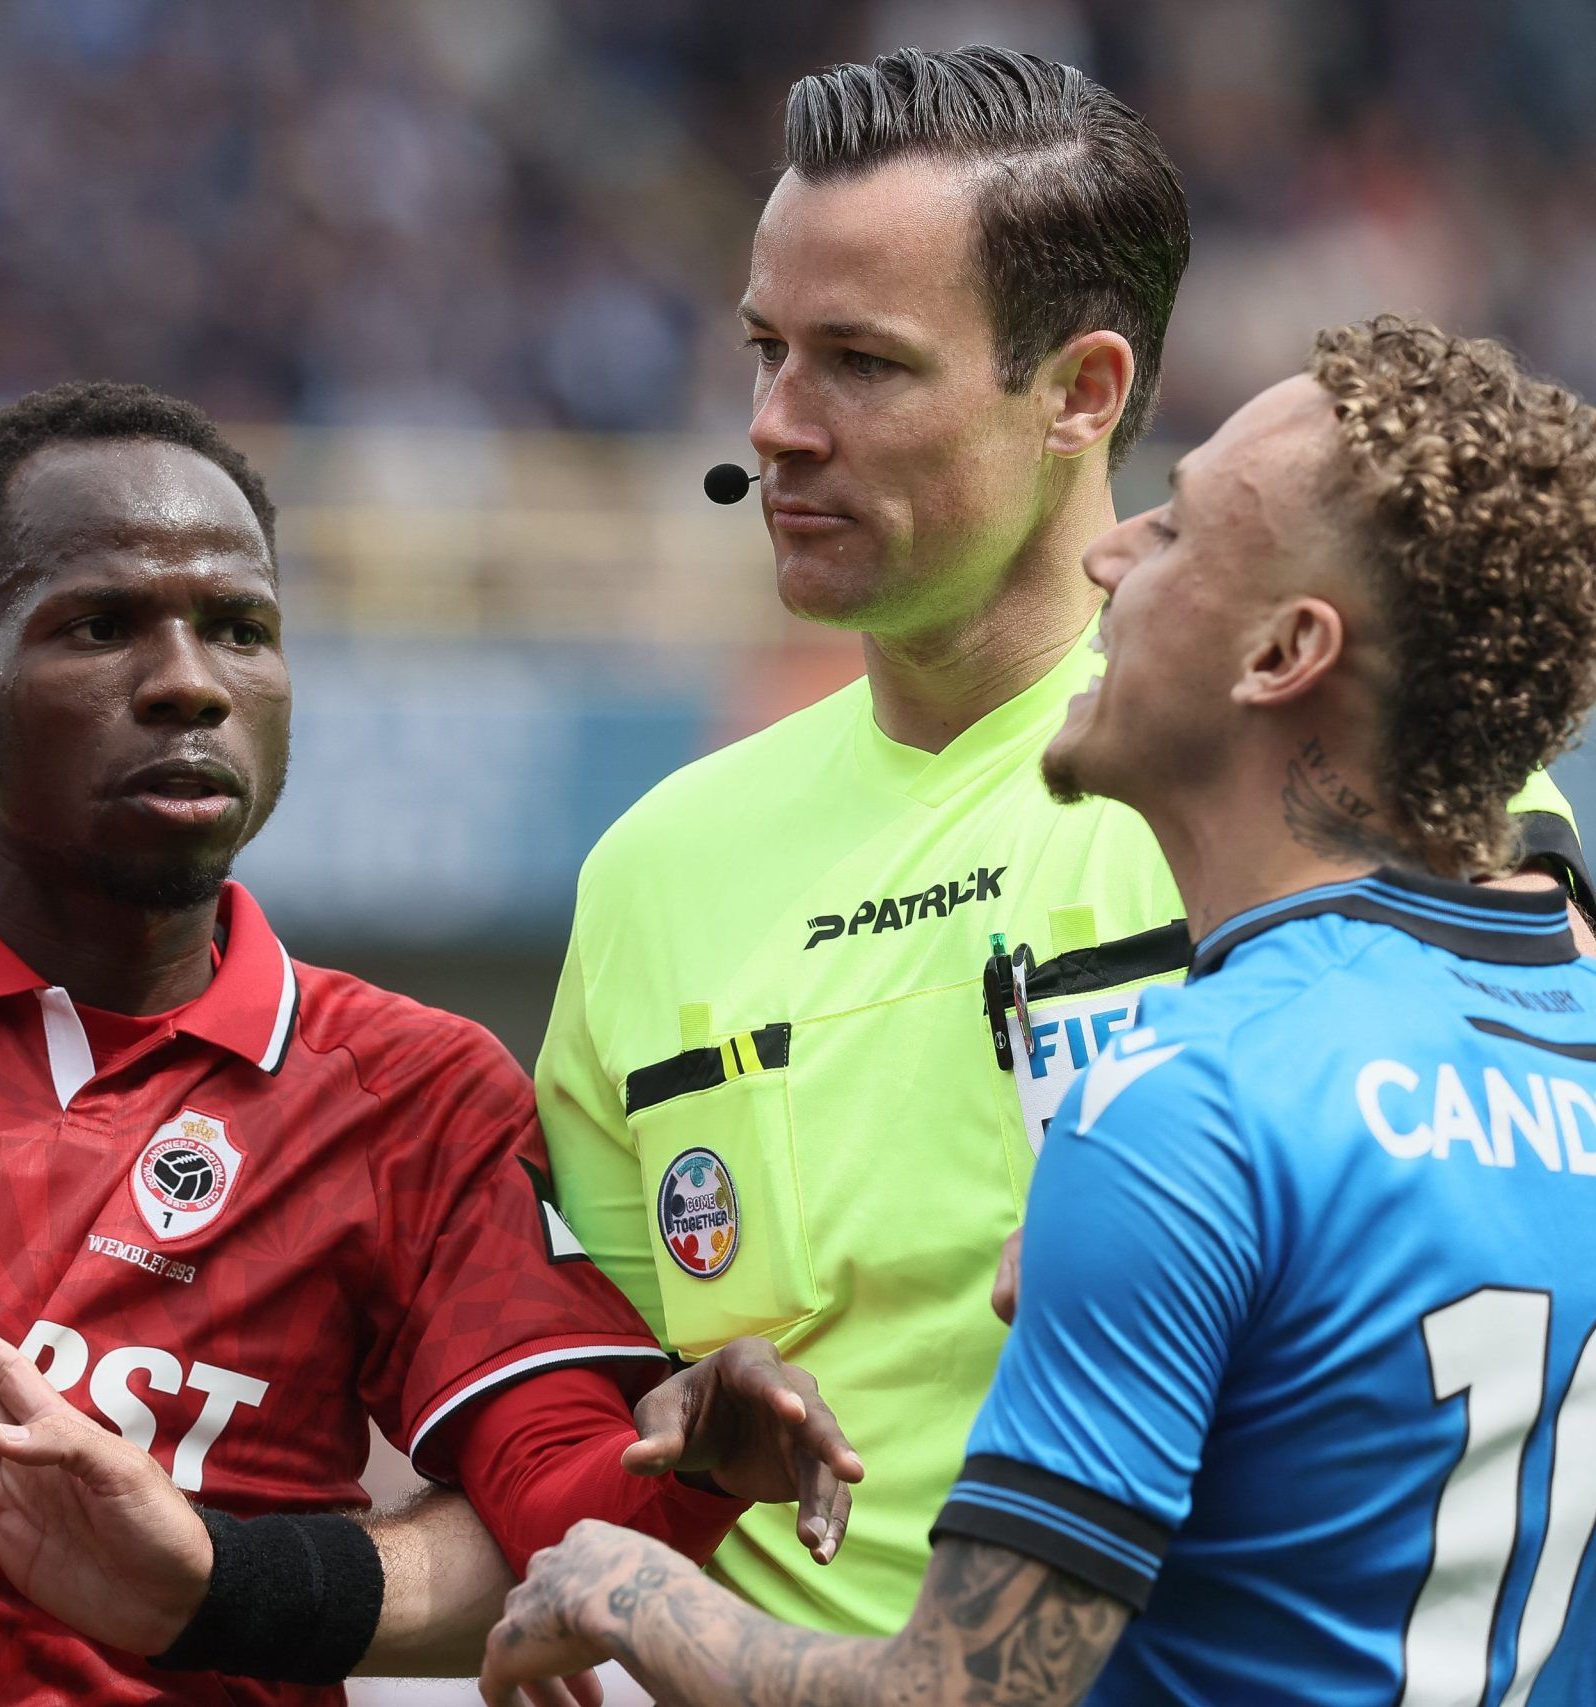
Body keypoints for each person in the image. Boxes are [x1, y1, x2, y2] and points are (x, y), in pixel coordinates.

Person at [0, 380, 863, 1705]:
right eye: (100, 628)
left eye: (241, 629)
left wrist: (692, 1462)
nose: (188, 682)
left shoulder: (409, 1095)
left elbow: (560, 1509)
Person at [532, 45, 1591, 1642]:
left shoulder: (1312, 776)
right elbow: (580, 1468)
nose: (775, 426)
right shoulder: (651, 872)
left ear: (1082, 394)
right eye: (765, 350)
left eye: (864, 365)